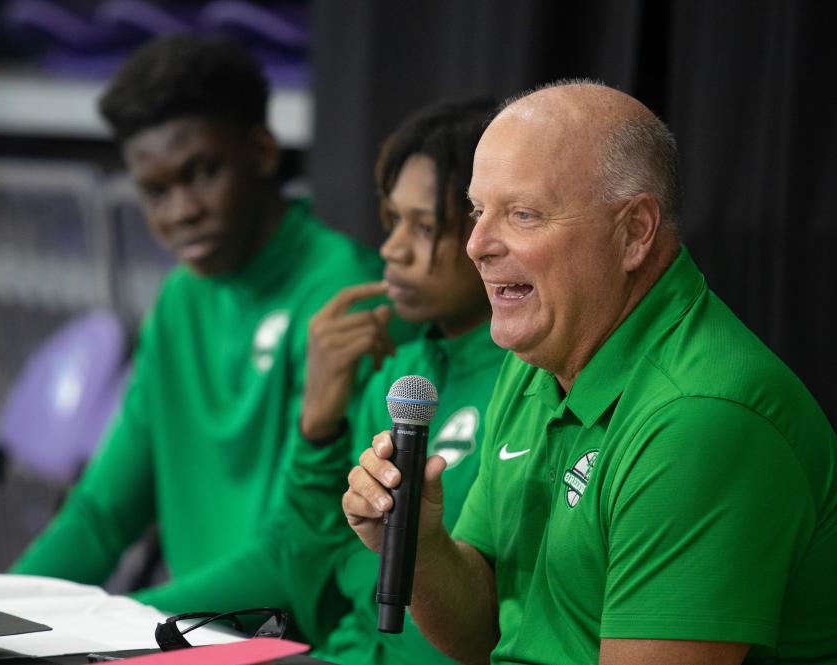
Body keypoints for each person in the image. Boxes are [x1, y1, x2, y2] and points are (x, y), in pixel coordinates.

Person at [344, 80, 837, 665]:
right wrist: (422, 545)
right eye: (479, 210)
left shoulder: (699, 418)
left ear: (633, 232)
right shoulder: (540, 353)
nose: (476, 244)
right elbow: (483, 634)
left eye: (522, 214)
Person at [10, 34, 402, 612]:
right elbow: (103, 514)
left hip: (288, 640)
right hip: (191, 630)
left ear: (263, 152)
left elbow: (296, 556)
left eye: (201, 172)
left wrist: (129, 624)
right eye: (156, 191)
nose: (181, 211)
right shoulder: (180, 299)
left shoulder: (346, 294)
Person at [152, 99, 507, 659]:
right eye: (393, 221)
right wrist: (317, 426)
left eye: (425, 226)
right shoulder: (395, 376)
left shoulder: (533, 383)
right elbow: (306, 566)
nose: (391, 248)